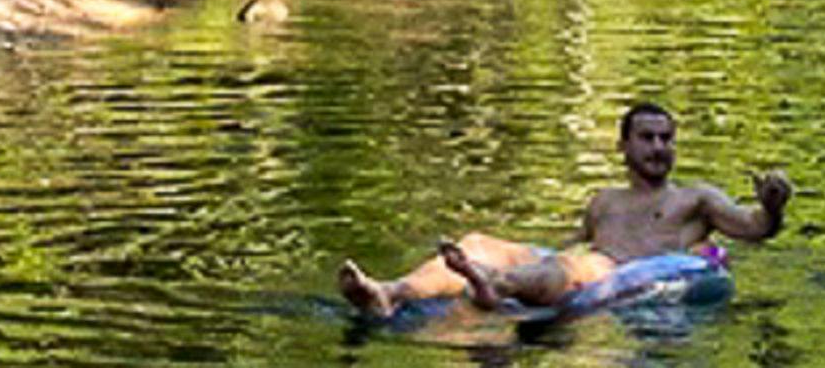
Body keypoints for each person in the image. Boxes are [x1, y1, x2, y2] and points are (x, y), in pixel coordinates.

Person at [337, 101, 790, 319]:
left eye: (666, 138)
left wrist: (772, 206)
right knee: (478, 242)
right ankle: (389, 292)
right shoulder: (604, 200)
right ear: (623, 146)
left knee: (575, 268)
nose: (659, 147)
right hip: (581, 262)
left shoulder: (696, 199)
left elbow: (755, 227)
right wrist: (525, 257)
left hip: (618, 272)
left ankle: (493, 284)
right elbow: (569, 244)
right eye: (647, 138)